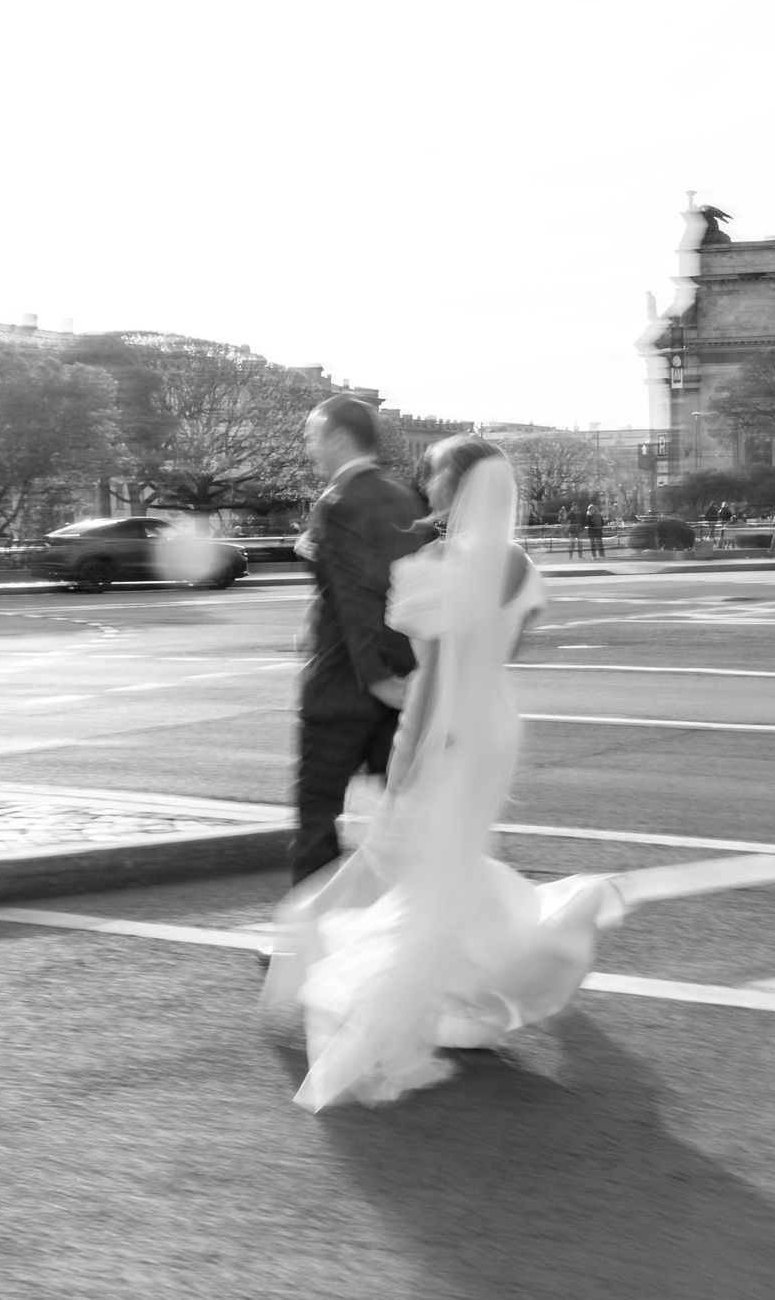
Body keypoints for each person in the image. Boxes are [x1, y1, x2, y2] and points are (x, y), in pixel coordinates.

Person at [266, 435, 629, 1111]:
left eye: (433, 478)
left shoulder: (435, 563)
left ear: (456, 488)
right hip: (496, 724)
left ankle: (404, 997)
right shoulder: (518, 563)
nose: (425, 489)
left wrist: (406, 754)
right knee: (451, 861)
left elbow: (432, 677)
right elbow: (508, 649)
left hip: (445, 730)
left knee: (406, 864)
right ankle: (475, 983)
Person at [290, 395, 429, 886]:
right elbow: (405, 589)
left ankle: (306, 940)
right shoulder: (401, 497)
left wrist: (373, 678)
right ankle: (410, 926)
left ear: (340, 439)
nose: (309, 448)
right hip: (402, 682)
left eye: (313, 437)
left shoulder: (339, 503)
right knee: (409, 819)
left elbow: (355, 599)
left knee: (317, 813)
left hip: (344, 687)